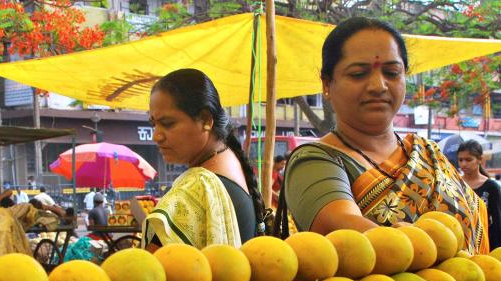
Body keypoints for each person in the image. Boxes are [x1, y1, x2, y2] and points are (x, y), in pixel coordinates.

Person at [276, 17, 488, 255]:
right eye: (358, 74)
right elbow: (344, 230)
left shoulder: (427, 152)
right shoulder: (314, 161)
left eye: (392, 72)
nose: (379, 85)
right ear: (327, 83)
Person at [143, 68, 264, 249]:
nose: (156, 136)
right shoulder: (230, 160)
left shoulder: (197, 186)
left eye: (167, 124)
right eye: (154, 124)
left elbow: (151, 272)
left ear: (206, 120)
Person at [458, 140, 501, 250]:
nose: (464, 164)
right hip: (459, 242)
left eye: (468, 160)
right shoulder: (454, 184)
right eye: (460, 160)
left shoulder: (492, 187)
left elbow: (498, 221)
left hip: (485, 243)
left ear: (480, 160)